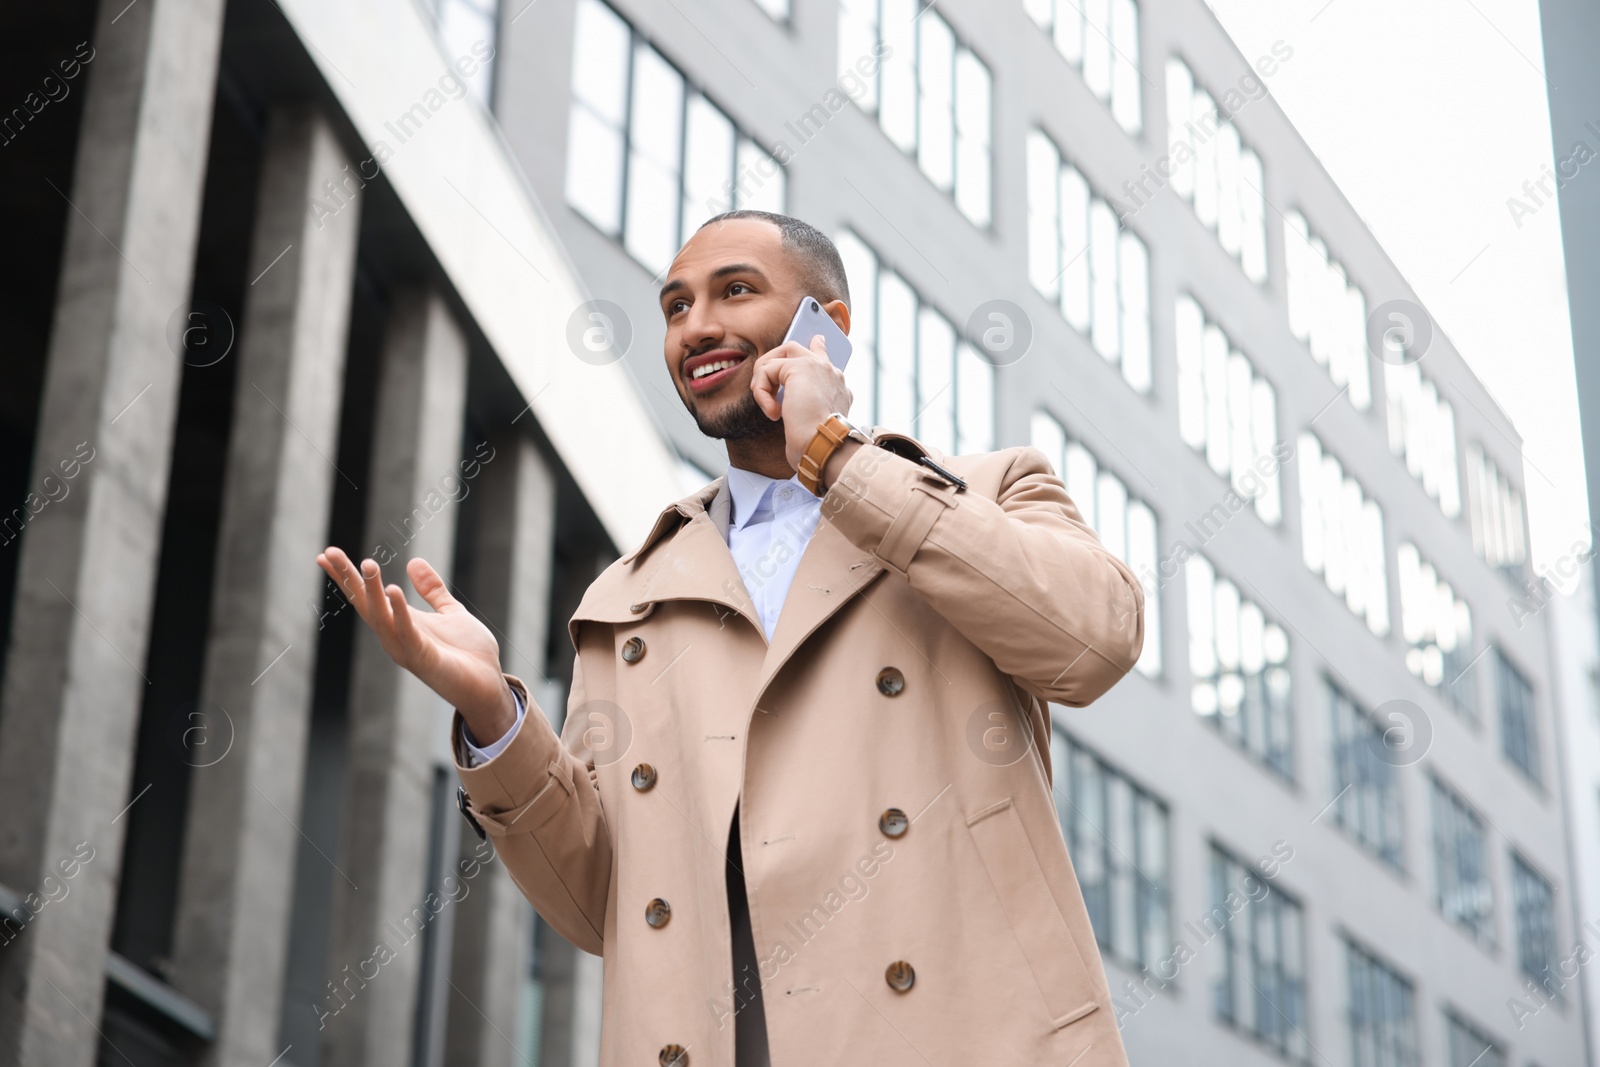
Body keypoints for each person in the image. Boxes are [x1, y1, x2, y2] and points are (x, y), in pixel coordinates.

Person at [317, 210, 1143, 1066]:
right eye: (676, 307)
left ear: (829, 327)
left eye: (735, 291)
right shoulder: (632, 599)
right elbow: (597, 898)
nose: (696, 326)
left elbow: (1092, 642)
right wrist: (494, 714)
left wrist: (837, 457)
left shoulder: (989, 489)